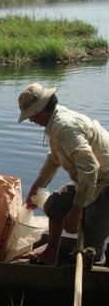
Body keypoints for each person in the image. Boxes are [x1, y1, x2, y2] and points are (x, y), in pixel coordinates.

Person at [17, 82, 109, 267]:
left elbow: (90, 168)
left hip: (105, 183)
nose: (30, 121)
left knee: (89, 247)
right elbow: (54, 159)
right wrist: (37, 187)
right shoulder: (54, 124)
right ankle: (51, 254)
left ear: (40, 111)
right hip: (93, 180)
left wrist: (77, 210)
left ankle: (97, 270)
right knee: (55, 204)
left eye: (31, 116)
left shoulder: (63, 127)